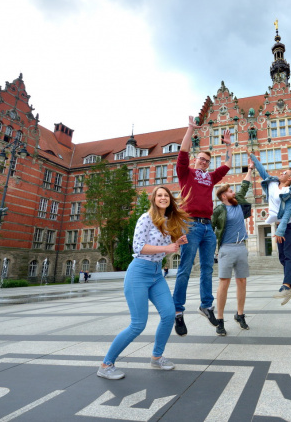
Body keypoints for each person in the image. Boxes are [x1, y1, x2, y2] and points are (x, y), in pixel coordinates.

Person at [98, 186, 189, 380]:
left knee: (169, 314)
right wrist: (166, 246)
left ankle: (157, 357)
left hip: (156, 274)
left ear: (169, 200)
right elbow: (138, 248)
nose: (163, 198)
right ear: (153, 199)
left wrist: (176, 244)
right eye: (159, 195)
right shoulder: (145, 218)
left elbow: (161, 250)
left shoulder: (167, 222)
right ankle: (106, 364)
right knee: (138, 324)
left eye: (166, 195)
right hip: (139, 272)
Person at [173, 116, 232, 337]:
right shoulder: (185, 172)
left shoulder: (209, 177)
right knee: (185, 269)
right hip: (190, 225)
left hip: (207, 227)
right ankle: (178, 311)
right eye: (201, 159)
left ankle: (206, 306)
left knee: (207, 268)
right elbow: (183, 150)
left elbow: (227, 164)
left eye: (207, 161)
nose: (204, 163)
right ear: (195, 160)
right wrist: (190, 128)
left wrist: (229, 146)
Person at [247, 150, 291, 305]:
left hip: (290, 225)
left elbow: (288, 213)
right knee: (282, 257)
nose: (281, 173)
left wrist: (279, 231)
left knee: (289, 255)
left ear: (289, 178)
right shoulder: (271, 182)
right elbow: (262, 171)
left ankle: (286, 285)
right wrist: (252, 157)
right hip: (279, 224)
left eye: (284, 172)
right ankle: (290, 285)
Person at [211, 161, 255, 336]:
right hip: (226, 249)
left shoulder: (239, 204)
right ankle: (220, 320)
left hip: (241, 248)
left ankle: (240, 314)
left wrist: (250, 169)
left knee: (242, 282)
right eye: (230, 191)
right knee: (224, 283)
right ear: (223, 196)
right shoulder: (219, 210)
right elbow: (210, 227)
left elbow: (245, 185)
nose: (233, 192)